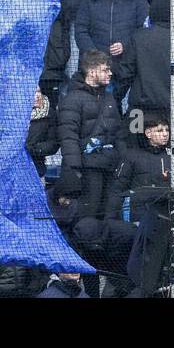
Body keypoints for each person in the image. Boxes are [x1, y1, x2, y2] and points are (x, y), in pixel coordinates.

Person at [56, 49, 124, 220]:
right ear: (92, 71)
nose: (110, 73)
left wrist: (121, 161)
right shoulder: (72, 98)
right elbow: (68, 136)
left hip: (110, 166)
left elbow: (118, 132)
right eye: (105, 70)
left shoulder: (109, 98)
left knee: (109, 215)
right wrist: (75, 169)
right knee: (88, 215)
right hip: (87, 169)